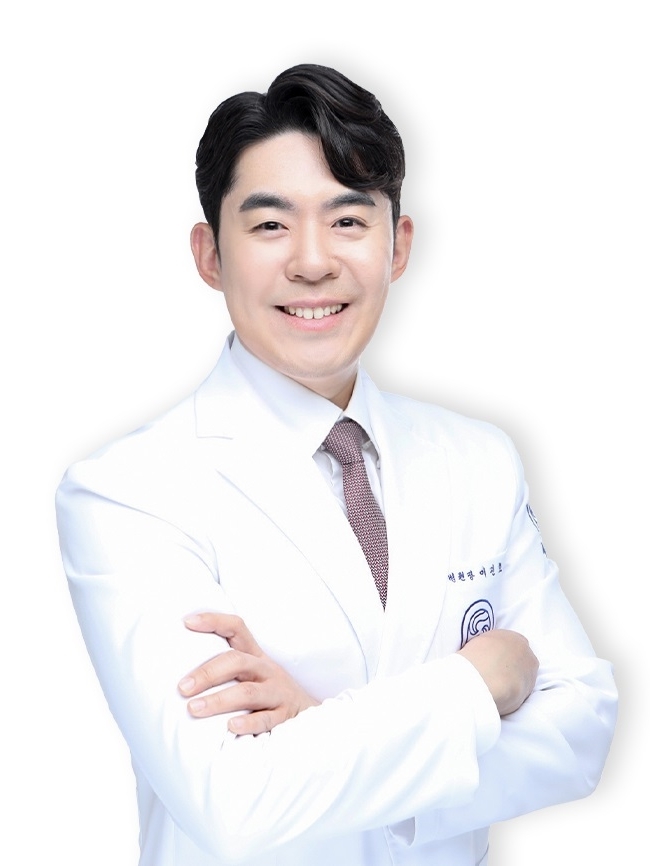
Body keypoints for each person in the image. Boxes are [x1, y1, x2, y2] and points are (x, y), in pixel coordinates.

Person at [56, 64, 617, 866]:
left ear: (399, 245)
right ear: (210, 255)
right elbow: (233, 802)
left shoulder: (478, 461)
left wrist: (318, 728)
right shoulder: (130, 493)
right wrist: (476, 685)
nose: (313, 262)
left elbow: (581, 728)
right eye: (270, 225)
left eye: (349, 220)